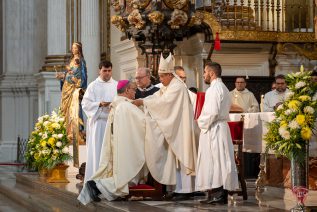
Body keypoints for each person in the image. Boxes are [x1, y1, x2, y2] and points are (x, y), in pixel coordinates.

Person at [133, 53, 197, 201]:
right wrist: (143, 100)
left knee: (182, 156)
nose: (160, 80)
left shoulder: (177, 86)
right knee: (175, 158)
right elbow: (157, 98)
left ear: (169, 74)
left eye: (162, 77)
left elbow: (164, 103)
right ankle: (177, 188)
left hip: (181, 128)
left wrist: (143, 103)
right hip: (175, 127)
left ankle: (186, 190)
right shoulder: (169, 85)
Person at [78, 80, 148, 204]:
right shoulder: (126, 106)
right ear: (127, 90)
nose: (135, 92)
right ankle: (95, 186)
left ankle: (96, 187)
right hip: (127, 146)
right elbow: (143, 123)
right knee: (126, 177)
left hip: (119, 144)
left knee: (120, 174)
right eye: (133, 89)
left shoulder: (117, 104)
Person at [195, 61, 239, 204]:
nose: (203, 75)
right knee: (219, 160)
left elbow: (212, 112)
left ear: (211, 73)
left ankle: (218, 194)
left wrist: (200, 122)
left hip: (214, 128)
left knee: (216, 161)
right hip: (219, 127)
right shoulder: (223, 87)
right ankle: (217, 193)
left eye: (205, 72)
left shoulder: (214, 89)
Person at [81, 61, 118, 182]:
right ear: (99, 71)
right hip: (99, 123)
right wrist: (99, 104)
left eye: (109, 71)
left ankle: (110, 181)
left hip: (113, 123)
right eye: (104, 71)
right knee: (98, 152)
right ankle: (96, 181)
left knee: (112, 153)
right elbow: (85, 104)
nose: (107, 73)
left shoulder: (117, 85)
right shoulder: (93, 86)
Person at [56, 41, 87, 167]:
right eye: (72, 47)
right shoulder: (72, 59)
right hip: (67, 90)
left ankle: (76, 133)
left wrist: (68, 76)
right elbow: (70, 75)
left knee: (74, 110)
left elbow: (80, 77)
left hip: (74, 91)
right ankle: (67, 132)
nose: (73, 49)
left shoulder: (80, 61)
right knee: (66, 110)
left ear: (79, 49)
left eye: (75, 48)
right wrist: (62, 77)